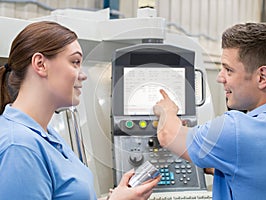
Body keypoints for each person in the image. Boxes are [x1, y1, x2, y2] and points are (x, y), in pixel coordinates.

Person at [0, 21, 160, 200]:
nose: (82, 75)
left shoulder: (48, 137)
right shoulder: (19, 147)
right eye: (75, 62)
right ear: (40, 64)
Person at [153, 22, 266, 200]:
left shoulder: (236, 129)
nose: (220, 78)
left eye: (228, 70)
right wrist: (211, 163)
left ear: (262, 77)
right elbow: (264, 171)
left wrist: (167, 110)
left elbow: (168, 135)